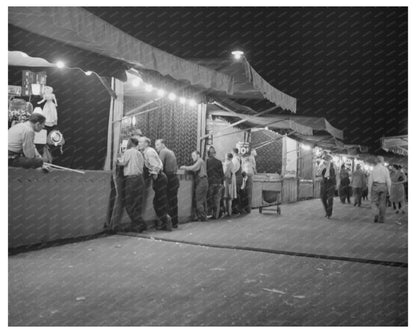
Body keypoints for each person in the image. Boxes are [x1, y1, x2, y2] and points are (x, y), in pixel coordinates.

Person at [138, 137, 172, 231]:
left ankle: (166, 220)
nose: (139, 144)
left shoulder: (149, 152)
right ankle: (165, 221)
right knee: (159, 201)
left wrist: (154, 177)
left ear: (146, 143)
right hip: (160, 178)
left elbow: (155, 166)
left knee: (159, 202)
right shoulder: (146, 152)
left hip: (160, 178)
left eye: (141, 142)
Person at [116, 137, 146, 233]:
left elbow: (123, 163)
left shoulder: (128, 152)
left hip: (131, 180)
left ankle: (140, 223)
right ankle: (136, 226)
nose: (127, 143)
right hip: (140, 179)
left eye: (128, 142)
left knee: (129, 204)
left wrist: (116, 161)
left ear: (132, 143)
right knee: (137, 204)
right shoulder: (140, 153)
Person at [155, 139, 180, 228]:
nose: (156, 147)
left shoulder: (163, 152)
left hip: (168, 178)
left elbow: (159, 166)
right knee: (173, 201)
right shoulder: (171, 152)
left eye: (157, 145)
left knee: (165, 202)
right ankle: (174, 222)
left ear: (162, 144)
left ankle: (166, 223)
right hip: (175, 178)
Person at [180, 151, 208, 222]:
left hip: (202, 182)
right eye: (192, 155)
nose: (192, 157)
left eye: (194, 155)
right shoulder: (200, 161)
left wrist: (184, 167)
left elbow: (194, 168)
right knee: (201, 200)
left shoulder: (200, 161)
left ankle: (202, 217)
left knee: (198, 200)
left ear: (198, 155)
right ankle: (202, 216)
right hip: (203, 182)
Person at [368, 156, 392, 223]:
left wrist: (369, 191)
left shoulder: (374, 169)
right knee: (382, 203)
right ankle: (381, 219)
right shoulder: (385, 169)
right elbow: (388, 180)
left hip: (375, 186)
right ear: (382, 161)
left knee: (373, 202)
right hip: (383, 186)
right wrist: (389, 190)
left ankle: (376, 213)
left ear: (376, 161)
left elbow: (370, 181)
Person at [206, 146, 224, 219]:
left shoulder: (207, 161)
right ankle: (216, 215)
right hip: (218, 183)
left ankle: (209, 213)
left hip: (210, 183)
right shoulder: (219, 162)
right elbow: (222, 174)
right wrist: (222, 183)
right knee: (217, 200)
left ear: (208, 153)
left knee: (209, 199)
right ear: (215, 153)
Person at [320, 153, 336, 219]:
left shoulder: (333, 166)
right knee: (323, 198)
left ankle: (329, 213)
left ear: (330, 159)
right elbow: (318, 173)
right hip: (324, 183)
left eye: (327, 158)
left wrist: (336, 184)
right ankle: (327, 211)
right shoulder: (321, 165)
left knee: (330, 199)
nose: (326, 159)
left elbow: (336, 175)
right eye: (325, 158)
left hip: (331, 183)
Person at [231, 148, 243, 215]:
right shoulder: (238, 158)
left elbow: (233, 170)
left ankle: (236, 209)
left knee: (236, 194)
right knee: (238, 194)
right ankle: (238, 208)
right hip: (239, 178)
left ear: (233, 152)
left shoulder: (234, 159)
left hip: (236, 178)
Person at [222, 153, 234, 217]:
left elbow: (225, 172)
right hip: (229, 180)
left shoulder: (226, 163)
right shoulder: (231, 163)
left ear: (227, 157)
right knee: (229, 197)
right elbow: (232, 172)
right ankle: (229, 211)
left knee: (225, 197)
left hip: (226, 180)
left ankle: (226, 211)